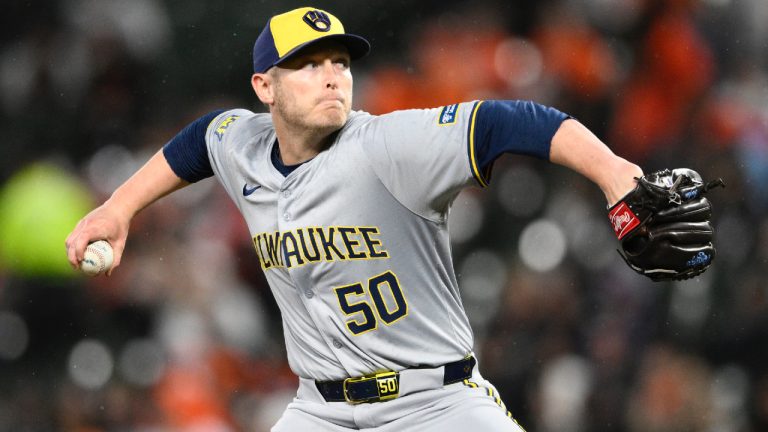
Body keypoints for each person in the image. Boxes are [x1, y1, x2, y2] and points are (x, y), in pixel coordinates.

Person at [66, 7, 643, 431]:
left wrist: (614, 173)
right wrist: (120, 207)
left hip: (435, 403)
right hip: (321, 412)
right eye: (307, 64)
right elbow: (199, 142)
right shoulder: (241, 143)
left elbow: (513, 121)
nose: (332, 74)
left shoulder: (388, 146)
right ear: (264, 87)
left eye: (338, 61)